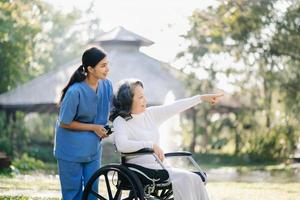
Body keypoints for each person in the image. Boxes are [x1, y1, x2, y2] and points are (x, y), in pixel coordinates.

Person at [111, 79, 223, 200]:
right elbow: (122, 145)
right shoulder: (120, 121)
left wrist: (201, 98)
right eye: (140, 97)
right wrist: (150, 145)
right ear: (128, 100)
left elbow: (175, 106)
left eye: (144, 96)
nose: (145, 100)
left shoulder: (150, 114)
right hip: (139, 169)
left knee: (194, 178)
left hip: (160, 166)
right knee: (186, 178)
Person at [54, 47, 113, 200]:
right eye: (103, 65)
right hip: (70, 149)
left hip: (93, 148)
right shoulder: (75, 92)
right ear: (90, 69)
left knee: (92, 192)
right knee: (72, 194)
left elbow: (112, 110)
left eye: (107, 64)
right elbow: (64, 123)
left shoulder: (107, 85)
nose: (107, 69)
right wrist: (94, 127)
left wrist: (107, 128)